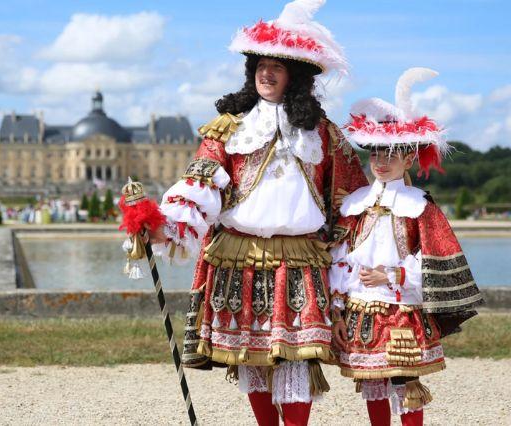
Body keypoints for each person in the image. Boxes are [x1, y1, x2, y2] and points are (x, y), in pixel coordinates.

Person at [145, 1, 365, 424]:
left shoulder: (324, 133)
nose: (267, 73)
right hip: (239, 256)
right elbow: (201, 186)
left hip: (302, 258)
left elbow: (350, 202)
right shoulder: (229, 127)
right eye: (261, 65)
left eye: (277, 68)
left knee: (297, 361)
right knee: (253, 360)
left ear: (295, 77)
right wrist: (164, 226)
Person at [328, 68, 484, 426]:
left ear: (408, 159)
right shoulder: (355, 203)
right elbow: (339, 256)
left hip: (400, 306)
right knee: (373, 382)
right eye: (377, 156)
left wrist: (391, 273)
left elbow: (432, 257)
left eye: (391, 156)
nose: (381, 163)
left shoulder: (419, 205)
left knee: (404, 380)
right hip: (360, 309)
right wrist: (337, 308)